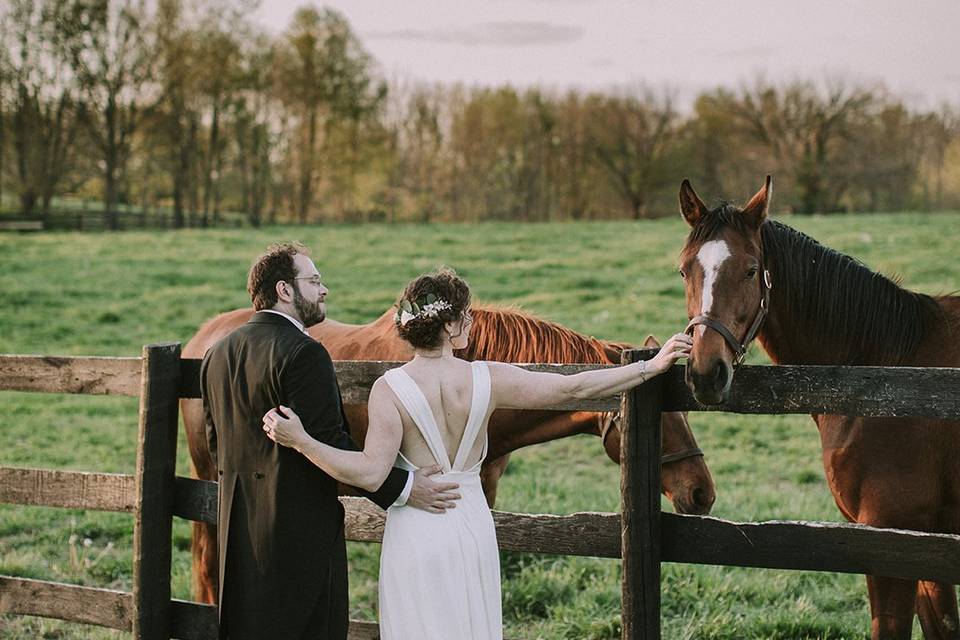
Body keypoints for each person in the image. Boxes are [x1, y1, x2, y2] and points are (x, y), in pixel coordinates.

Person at [262, 267, 693, 640]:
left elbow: (371, 473)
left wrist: (301, 440)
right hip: (471, 523)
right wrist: (650, 367)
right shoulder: (489, 378)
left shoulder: (388, 389)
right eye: (465, 315)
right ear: (449, 327)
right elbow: (575, 387)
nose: (471, 322)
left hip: (415, 531)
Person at [200, 243, 461, 640]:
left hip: (238, 535)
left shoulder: (217, 353)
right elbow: (332, 444)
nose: (324, 291)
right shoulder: (304, 353)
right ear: (285, 290)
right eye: (315, 281)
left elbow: (216, 447)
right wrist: (405, 488)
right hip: (299, 536)